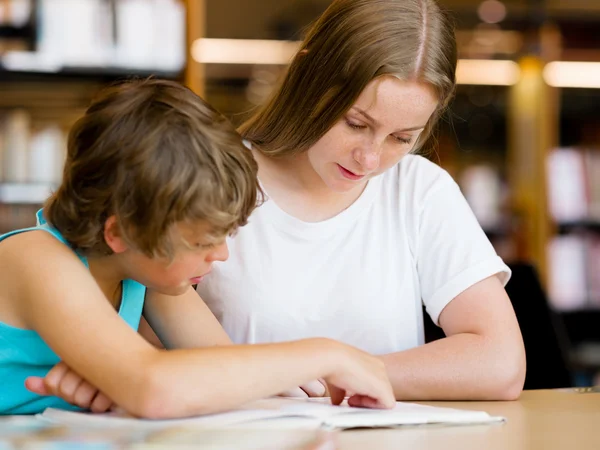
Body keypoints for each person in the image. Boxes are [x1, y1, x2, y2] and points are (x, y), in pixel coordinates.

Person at [0, 79, 394, 416]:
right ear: (121, 231)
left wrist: (134, 379)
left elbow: (218, 362)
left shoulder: (141, 268)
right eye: (203, 241)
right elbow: (155, 389)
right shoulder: (37, 259)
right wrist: (326, 354)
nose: (221, 254)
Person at [196, 0, 526, 400]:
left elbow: (501, 363)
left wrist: (340, 370)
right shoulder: (211, 178)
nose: (370, 159)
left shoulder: (417, 189)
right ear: (308, 76)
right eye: (355, 123)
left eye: (402, 138)